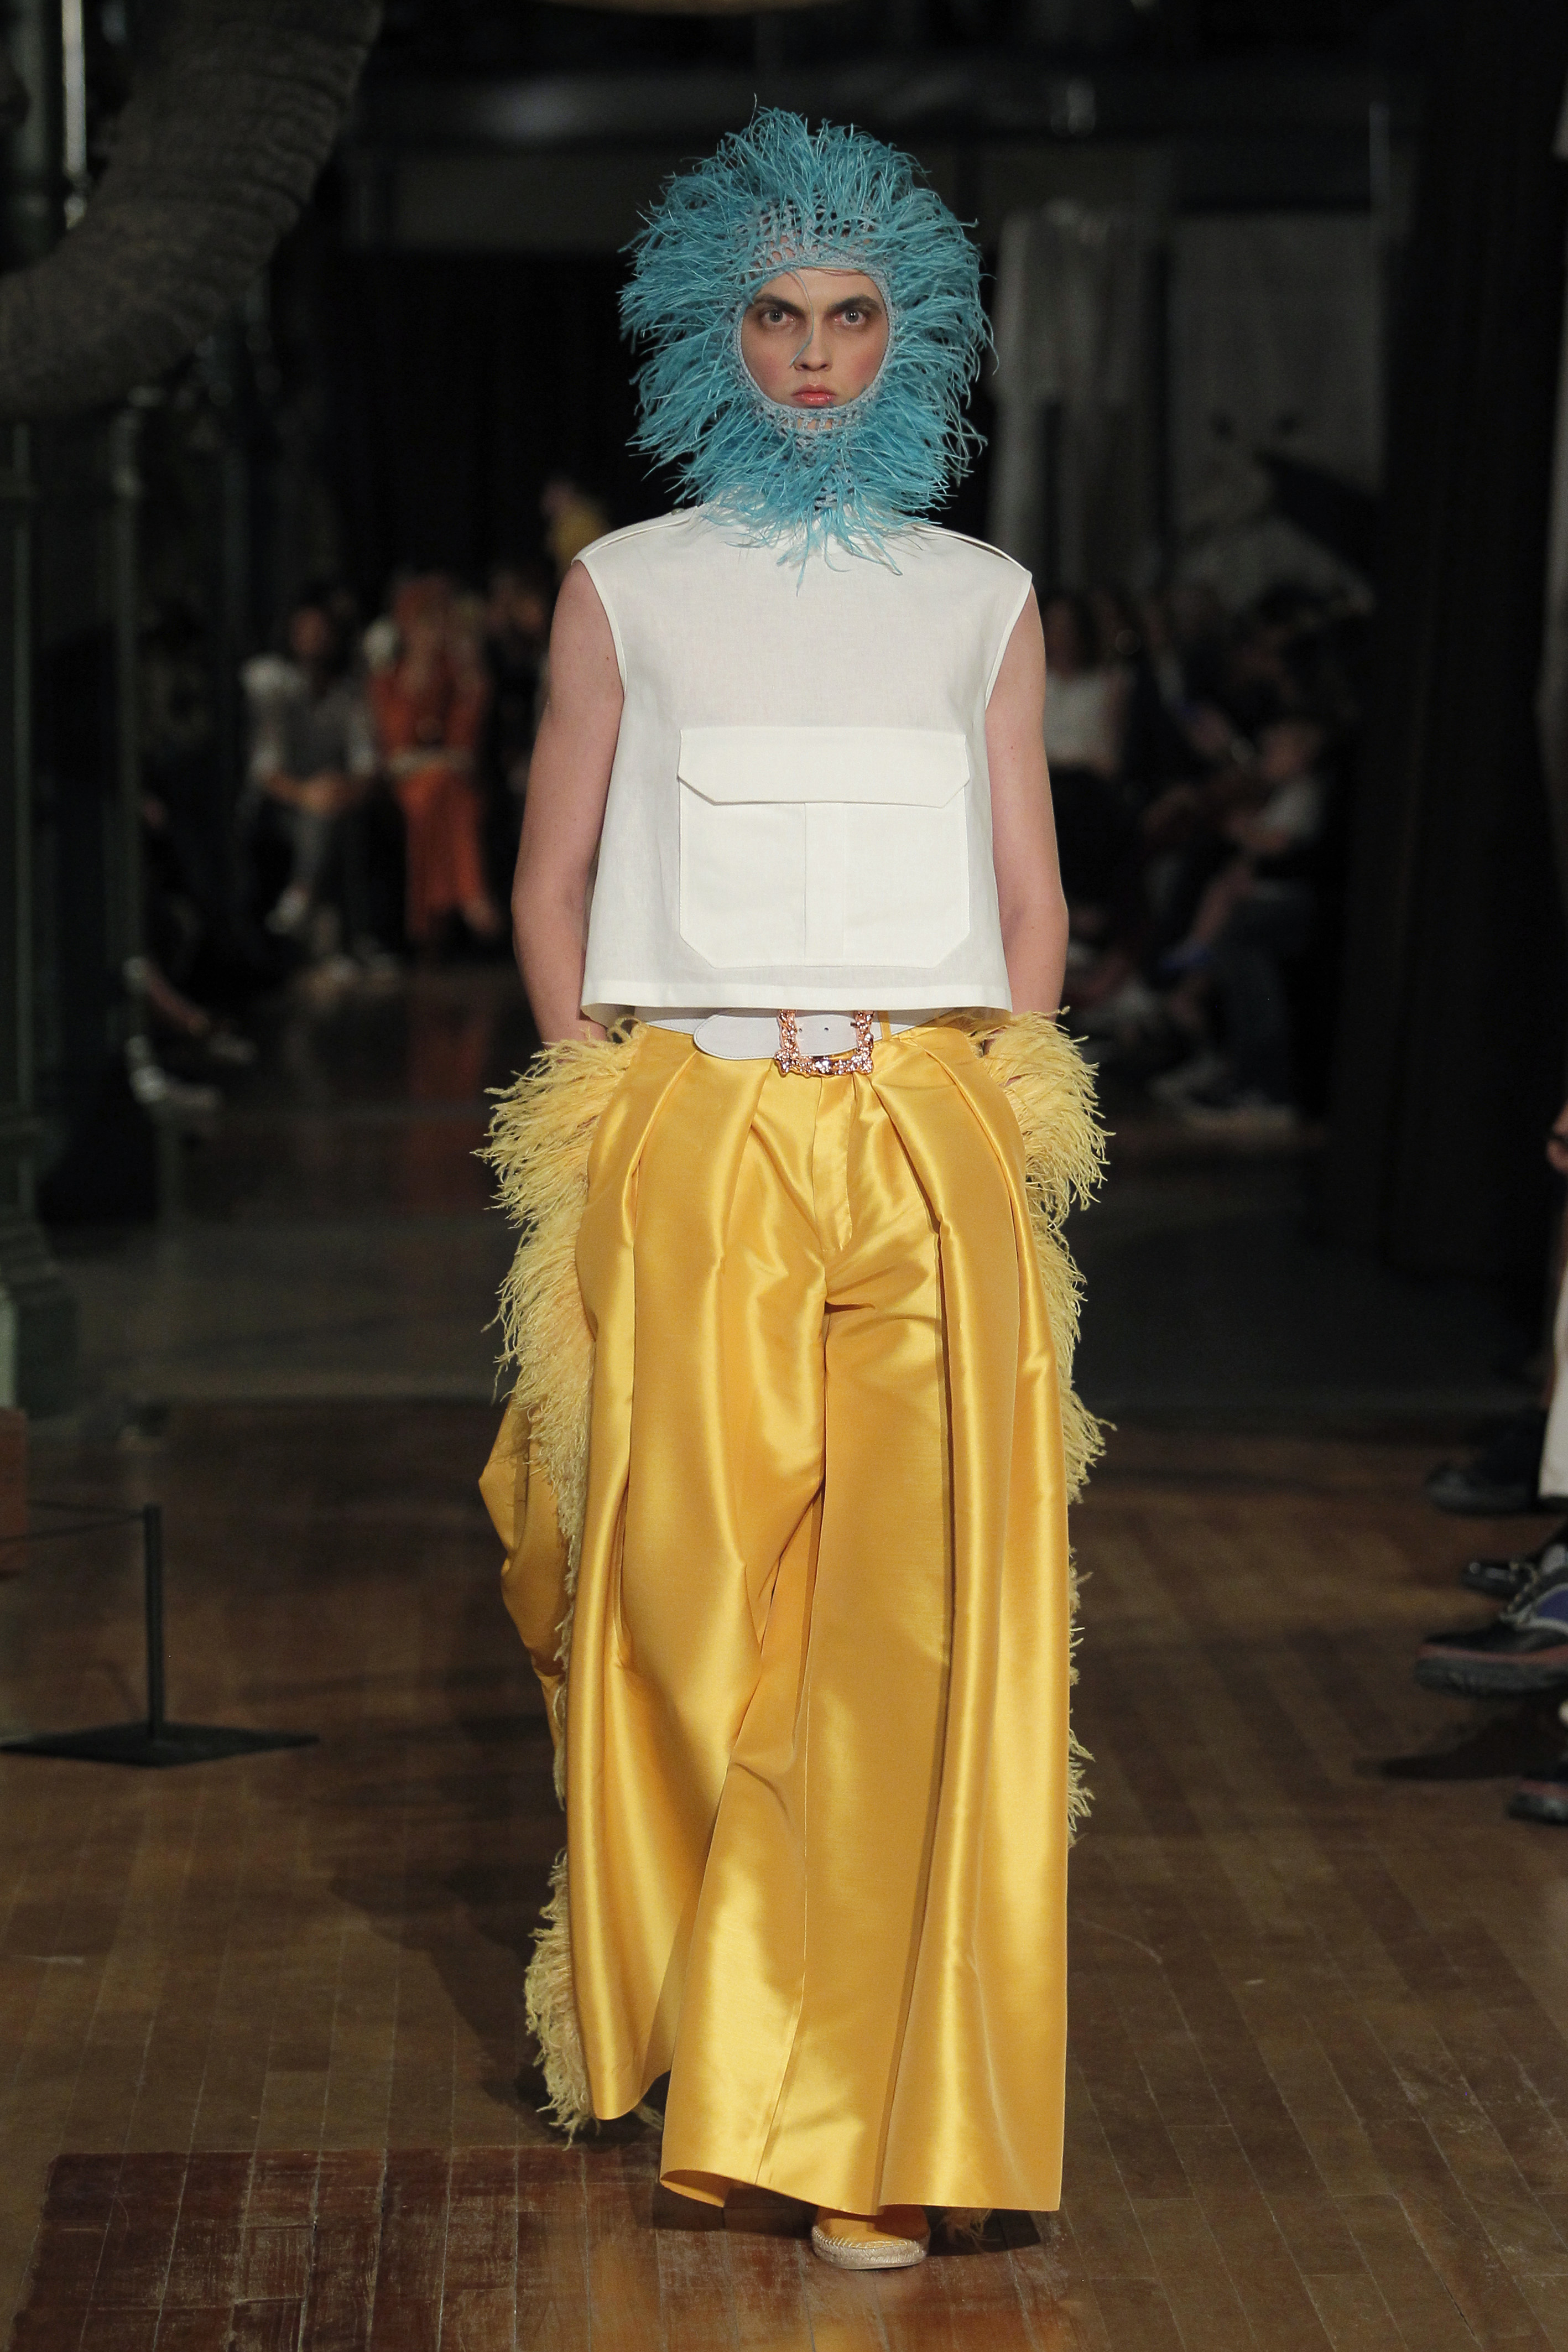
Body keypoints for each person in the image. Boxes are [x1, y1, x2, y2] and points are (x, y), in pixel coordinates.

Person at [479, 112, 1101, 2268]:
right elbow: (549, 880)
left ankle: (863, 2131)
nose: (817, 351)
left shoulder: (980, 599)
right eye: (777, 312)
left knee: (911, 1629)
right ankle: (713, 2027)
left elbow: (1032, 897)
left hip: (927, 1134)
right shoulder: (626, 590)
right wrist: (603, 1108)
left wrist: (994, 1106)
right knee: (679, 1616)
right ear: (709, 330)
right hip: (695, 1128)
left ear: (912, 333)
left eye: (853, 314)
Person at [369, 575, 503, 953]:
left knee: (444, 792)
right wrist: (437, 760)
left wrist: (471, 684)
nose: (433, 634)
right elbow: (395, 757)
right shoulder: (388, 681)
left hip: (448, 786)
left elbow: (465, 751)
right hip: (406, 787)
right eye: (424, 624)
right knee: (439, 792)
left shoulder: (457, 679)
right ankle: (471, 895)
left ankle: (429, 919)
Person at [242, 589, 377, 948]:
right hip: (282, 805)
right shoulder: (275, 686)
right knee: (318, 815)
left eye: (322, 630)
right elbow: (265, 769)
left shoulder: (349, 694)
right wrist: (307, 794)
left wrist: (339, 791)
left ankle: (303, 905)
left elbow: (366, 764)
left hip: (336, 801)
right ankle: (307, 904)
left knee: (331, 816)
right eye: (306, 630)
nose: (315, 639)